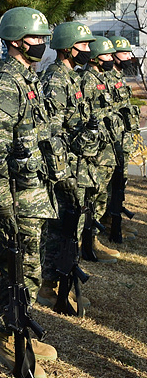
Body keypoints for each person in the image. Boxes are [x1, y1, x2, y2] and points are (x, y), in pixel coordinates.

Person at [0, 7, 57, 377]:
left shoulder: (28, 78)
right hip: (15, 195)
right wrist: (3, 203)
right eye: (35, 38)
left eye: (43, 38)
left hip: (33, 192)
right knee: (16, 269)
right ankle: (7, 339)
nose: (41, 44)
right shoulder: (7, 82)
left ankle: (20, 326)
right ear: (14, 41)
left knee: (30, 268)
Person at [38, 21, 94, 313]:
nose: (88, 50)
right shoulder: (56, 80)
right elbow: (51, 133)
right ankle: (49, 286)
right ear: (68, 48)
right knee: (58, 229)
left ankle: (61, 282)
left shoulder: (72, 78)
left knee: (71, 229)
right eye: (83, 45)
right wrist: (63, 175)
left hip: (77, 165)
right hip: (64, 169)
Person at [77, 36, 122, 262]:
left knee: (101, 196)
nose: (110, 58)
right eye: (105, 55)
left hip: (105, 147)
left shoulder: (101, 78)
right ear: (94, 57)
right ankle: (88, 243)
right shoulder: (88, 79)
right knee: (92, 197)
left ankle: (92, 239)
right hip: (95, 150)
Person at [106, 36, 139, 242]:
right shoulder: (108, 78)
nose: (129, 57)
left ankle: (114, 220)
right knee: (110, 185)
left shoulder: (119, 77)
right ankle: (109, 223)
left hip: (122, 139)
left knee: (119, 183)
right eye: (125, 53)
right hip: (112, 141)